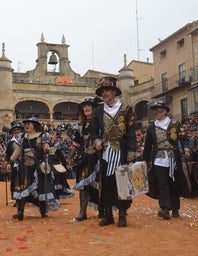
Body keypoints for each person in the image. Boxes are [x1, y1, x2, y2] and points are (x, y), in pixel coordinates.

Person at [90, 77, 137, 227]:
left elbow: (130, 132)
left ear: (115, 92)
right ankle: (108, 214)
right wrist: (97, 141)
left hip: (121, 152)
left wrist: (131, 150)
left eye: (108, 90)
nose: (105, 93)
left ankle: (122, 215)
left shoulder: (126, 109)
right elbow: (93, 131)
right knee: (107, 185)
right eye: (103, 91)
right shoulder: (98, 110)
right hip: (105, 153)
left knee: (123, 184)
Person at [143, 100, 190, 219]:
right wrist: (145, 160)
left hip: (173, 158)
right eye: (154, 110)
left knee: (174, 184)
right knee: (162, 184)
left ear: (165, 111)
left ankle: (175, 209)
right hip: (158, 159)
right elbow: (148, 145)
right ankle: (164, 208)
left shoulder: (175, 123)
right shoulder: (151, 127)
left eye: (158, 110)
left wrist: (186, 149)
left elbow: (184, 138)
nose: (156, 113)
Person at [7, 116, 60, 221]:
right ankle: (20, 213)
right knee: (22, 188)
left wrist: (47, 148)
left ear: (34, 126)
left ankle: (43, 211)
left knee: (40, 189)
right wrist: (11, 161)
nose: (26, 125)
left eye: (29, 124)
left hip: (37, 166)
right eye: (26, 123)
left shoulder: (43, 136)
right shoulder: (23, 137)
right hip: (24, 166)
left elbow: (51, 148)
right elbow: (18, 150)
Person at [70, 97, 102, 221]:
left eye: (89, 105)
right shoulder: (79, 125)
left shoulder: (100, 122)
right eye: (84, 106)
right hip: (83, 158)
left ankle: (102, 210)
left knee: (99, 184)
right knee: (83, 186)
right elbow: (76, 143)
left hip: (98, 157)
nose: (86, 108)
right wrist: (70, 157)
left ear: (94, 107)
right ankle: (82, 212)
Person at [5, 120, 23, 206]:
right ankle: (16, 199)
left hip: (25, 163)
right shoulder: (11, 143)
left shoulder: (25, 140)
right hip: (15, 164)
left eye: (18, 130)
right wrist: (8, 163)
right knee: (15, 181)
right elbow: (7, 155)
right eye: (14, 131)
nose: (16, 132)